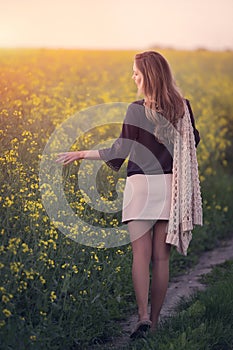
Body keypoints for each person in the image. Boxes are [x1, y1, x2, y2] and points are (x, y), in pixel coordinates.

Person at [56, 51, 201, 339]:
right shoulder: (182, 108)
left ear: (149, 76)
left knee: (140, 256)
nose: (133, 77)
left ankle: (142, 318)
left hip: (140, 188)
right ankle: (156, 323)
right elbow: (193, 141)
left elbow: (118, 151)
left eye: (136, 73)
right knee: (161, 260)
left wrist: (83, 153)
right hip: (170, 188)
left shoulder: (136, 109)